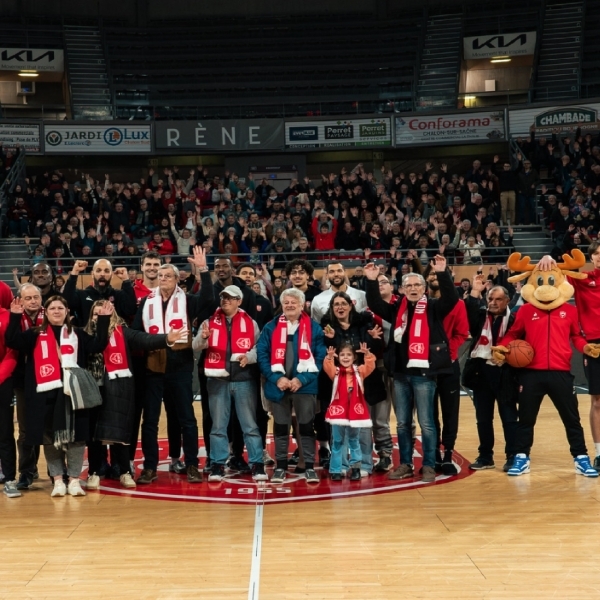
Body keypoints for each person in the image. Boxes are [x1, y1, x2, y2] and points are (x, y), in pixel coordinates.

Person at [492, 252, 599, 477]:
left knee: (572, 419)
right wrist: (502, 346)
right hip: (531, 374)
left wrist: (586, 347)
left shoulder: (570, 311)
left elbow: (577, 337)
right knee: (526, 419)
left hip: (561, 373)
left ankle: (581, 458)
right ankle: (522, 457)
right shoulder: (525, 311)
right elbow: (512, 334)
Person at [6, 296, 112, 498]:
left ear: (67, 311)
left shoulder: (78, 334)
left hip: (73, 393)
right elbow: (12, 340)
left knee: (77, 437)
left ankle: (73, 479)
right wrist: (15, 316)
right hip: (44, 395)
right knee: (50, 438)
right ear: (46, 312)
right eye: (52, 308)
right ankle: (57, 480)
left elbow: (98, 345)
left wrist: (104, 320)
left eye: (60, 308)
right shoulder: (35, 334)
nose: (56, 311)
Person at [364, 255, 458, 483]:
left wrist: (443, 273)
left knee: (427, 423)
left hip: (424, 375)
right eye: (409, 285)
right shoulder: (397, 309)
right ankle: (405, 463)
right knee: (403, 423)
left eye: (417, 285)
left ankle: (428, 465)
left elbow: (452, 299)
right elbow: (376, 304)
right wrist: (371, 280)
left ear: (424, 288)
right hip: (400, 375)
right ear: (403, 289)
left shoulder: (434, 307)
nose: (413, 288)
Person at [133, 247, 214, 485]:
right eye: (160, 276)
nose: (163, 279)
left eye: (168, 275)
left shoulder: (187, 300)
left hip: (180, 367)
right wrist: (156, 341)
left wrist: (203, 270)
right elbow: (136, 332)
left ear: (178, 279)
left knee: (186, 418)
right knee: (150, 421)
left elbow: (209, 301)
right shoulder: (146, 302)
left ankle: (191, 464)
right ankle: (149, 466)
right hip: (153, 368)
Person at [193, 285, 267, 482]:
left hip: (244, 380)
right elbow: (195, 346)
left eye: (230, 298)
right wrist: (202, 338)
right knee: (218, 426)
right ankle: (217, 464)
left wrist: (249, 357)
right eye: (223, 297)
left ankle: (257, 463)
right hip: (217, 380)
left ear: (239, 301)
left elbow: (259, 347)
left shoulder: (250, 323)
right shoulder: (209, 322)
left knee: (249, 425)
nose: (225, 300)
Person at [538, 244, 600, 470]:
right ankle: (599, 453)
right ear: (591, 257)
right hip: (594, 345)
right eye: (597, 253)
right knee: (597, 401)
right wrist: (547, 257)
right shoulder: (582, 277)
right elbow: (554, 272)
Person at [257, 288, 326, 484]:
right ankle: (280, 467)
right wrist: (276, 378)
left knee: (305, 427)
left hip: (304, 386)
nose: (289, 305)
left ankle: (310, 467)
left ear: (302, 304)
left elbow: (320, 358)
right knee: (280, 428)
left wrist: (301, 380)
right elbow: (262, 355)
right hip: (278, 386)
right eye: (286, 302)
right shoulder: (270, 327)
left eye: (293, 302)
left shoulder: (314, 328)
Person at [320, 291, 386, 476]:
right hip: (338, 387)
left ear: (350, 305)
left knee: (361, 430)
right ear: (332, 309)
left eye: (343, 303)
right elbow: (326, 354)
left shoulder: (365, 325)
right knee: (339, 433)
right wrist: (330, 339)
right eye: (336, 304)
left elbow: (374, 352)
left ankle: (363, 465)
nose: (340, 307)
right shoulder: (326, 328)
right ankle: (339, 467)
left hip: (362, 385)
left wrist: (373, 339)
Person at [130, 251, 183, 475]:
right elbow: (133, 330)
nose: (153, 269)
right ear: (142, 268)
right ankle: (144, 462)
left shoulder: (179, 295)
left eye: (157, 265)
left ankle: (175, 458)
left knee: (175, 414)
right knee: (146, 416)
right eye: (149, 264)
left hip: (174, 363)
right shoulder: (134, 292)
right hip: (145, 364)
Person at [463, 275, 519, 471]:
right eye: (490, 299)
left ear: (508, 300)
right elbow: (468, 312)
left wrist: (507, 356)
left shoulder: (515, 319)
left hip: (506, 374)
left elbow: (523, 346)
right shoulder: (479, 316)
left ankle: (512, 455)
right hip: (482, 372)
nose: (493, 303)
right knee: (484, 418)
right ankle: (485, 456)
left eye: (498, 299)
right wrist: (475, 293)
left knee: (510, 418)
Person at [424, 267, 469, 475]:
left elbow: (461, 333)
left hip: (448, 364)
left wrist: (445, 353)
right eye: (430, 275)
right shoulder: (420, 304)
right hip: (425, 366)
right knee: (429, 414)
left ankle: (449, 453)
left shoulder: (458, 304)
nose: (434, 278)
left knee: (450, 412)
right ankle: (434, 454)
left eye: (437, 274)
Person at [323, 341, 375, 481]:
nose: (345, 357)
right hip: (338, 412)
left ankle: (356, 468)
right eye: (342, 355)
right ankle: (335, 469)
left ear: (354, 358)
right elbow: (328, 367)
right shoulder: (336, 372)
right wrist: (329, 358)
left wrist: (368, 355)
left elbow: (370, 366)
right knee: (337, 441)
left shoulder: (359, 371)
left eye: (348, 355)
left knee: (354, 441)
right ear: (338, 357)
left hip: (355, 413)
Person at [11, 284, 44, 490]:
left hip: (46, 378)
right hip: (22, 381)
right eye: (28, 298)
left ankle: (38, 469)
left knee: (42, 427)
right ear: (20, 300)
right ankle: (25, 471)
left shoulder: (50, 314)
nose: (33, 301)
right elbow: (12, 342)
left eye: (36, 297)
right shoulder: (14, 317)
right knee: (24, 429)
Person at [62, 258, 137, 324]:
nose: (102, 274)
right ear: (92, 274)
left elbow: (131, 310)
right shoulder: (82, 295)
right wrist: (74, 272)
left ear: (112, 275)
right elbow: (67, 302)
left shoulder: (118, 295)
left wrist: (126, 280)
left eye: (107, 271)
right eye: (98, 271)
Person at [0, 289, 19, 497]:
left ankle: (10, 477)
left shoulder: (7, 316)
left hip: (2, 380)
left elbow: (11, 351)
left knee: (4, 432)